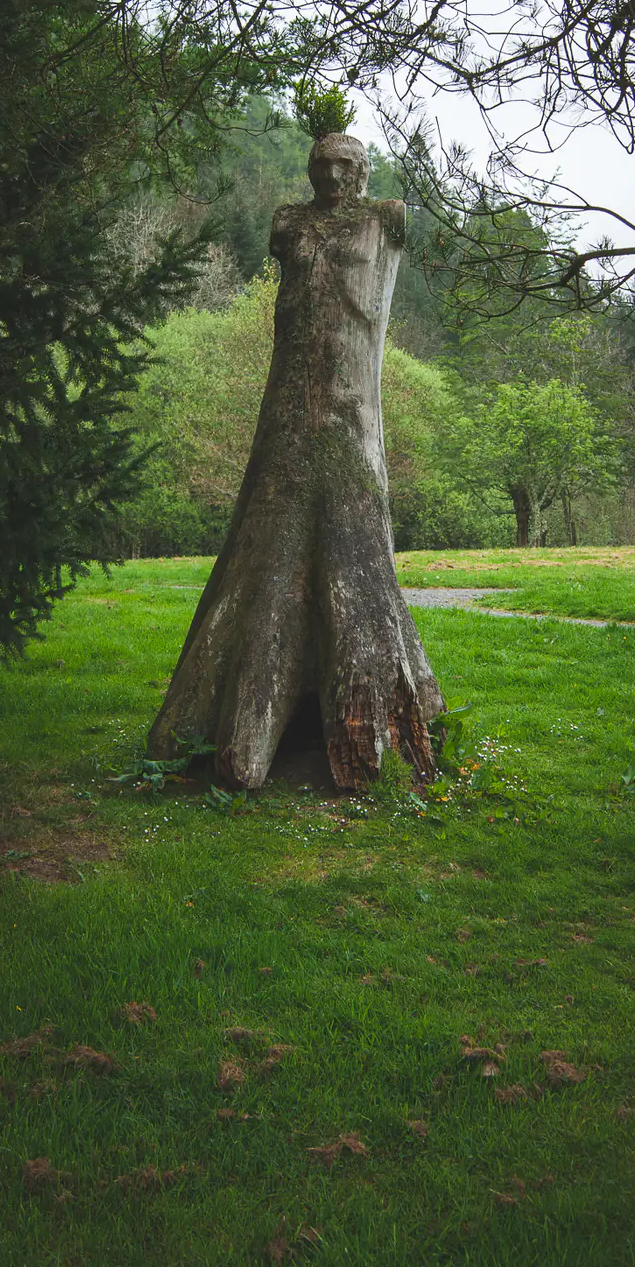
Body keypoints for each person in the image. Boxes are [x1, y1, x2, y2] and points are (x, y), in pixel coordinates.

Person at [147, 132, 442, 789]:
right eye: (323, 165)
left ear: (363, 171)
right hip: (287, 426)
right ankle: (239, 720)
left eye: (346, 165)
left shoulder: (384, 218)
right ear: (311, 169)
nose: (333, 176)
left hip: (351, 415)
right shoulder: (289, 223)